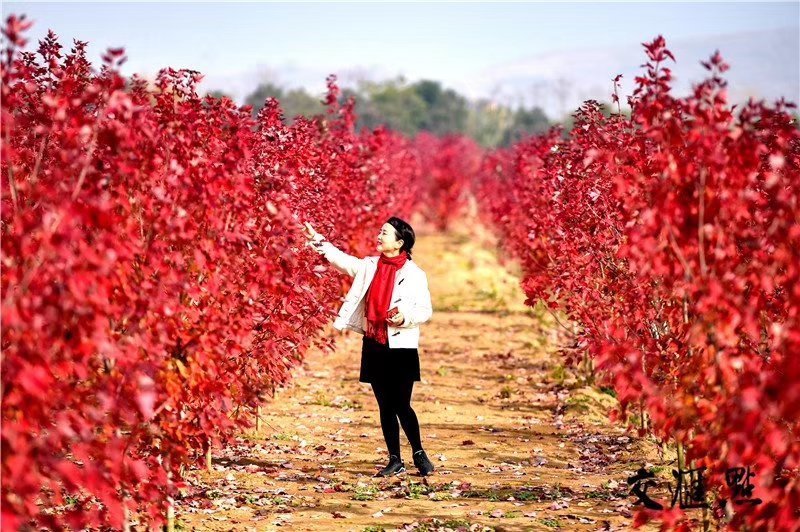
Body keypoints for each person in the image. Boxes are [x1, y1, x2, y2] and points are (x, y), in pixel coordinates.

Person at [301, 217, 435, 477]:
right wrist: (315, 238)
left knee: (401, 404)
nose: (379, 236)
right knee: (384, 404)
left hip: (401, 346)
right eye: (380, 232)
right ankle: (395, 459)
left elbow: (424, 310)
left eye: (385, 233)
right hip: (374, 343)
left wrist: (404, 317)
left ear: (399, 242)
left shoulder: (415, 274)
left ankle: (419, 453)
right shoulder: (369, 266)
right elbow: (340, 260)